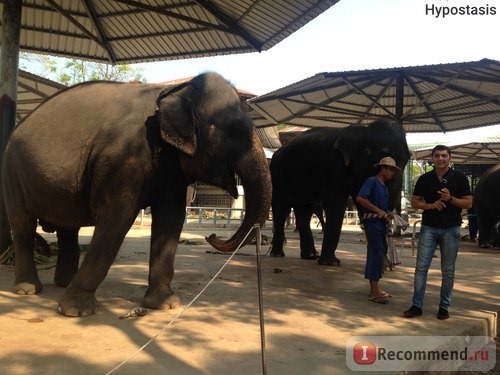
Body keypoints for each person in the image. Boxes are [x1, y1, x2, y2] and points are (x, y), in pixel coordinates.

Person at [403, 145, 472, 320]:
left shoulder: (460, 178)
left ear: (450, 157)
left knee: (448, 271)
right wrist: (431, 205)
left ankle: (444, 307)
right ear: (432, 158)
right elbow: (415, 201)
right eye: (437, 156)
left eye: (444, 155)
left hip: (451, 229)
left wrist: (451, 199)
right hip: (429, 228)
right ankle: (417, 305)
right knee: (421, 268)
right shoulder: (425, 179)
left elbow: (468, 203)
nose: (440, 159)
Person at [356, 156, 400, 304]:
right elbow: (361, 198)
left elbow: (381, 207)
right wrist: (378, 211)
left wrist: (387, 213)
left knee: (380, 252)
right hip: (373, 223)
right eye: (391, 169)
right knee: (375, 253)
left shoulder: (384, 186)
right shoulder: (371, 182)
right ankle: (374, 291)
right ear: (383, 169)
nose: (393, 173)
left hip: (380, 223)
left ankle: (375, 288)